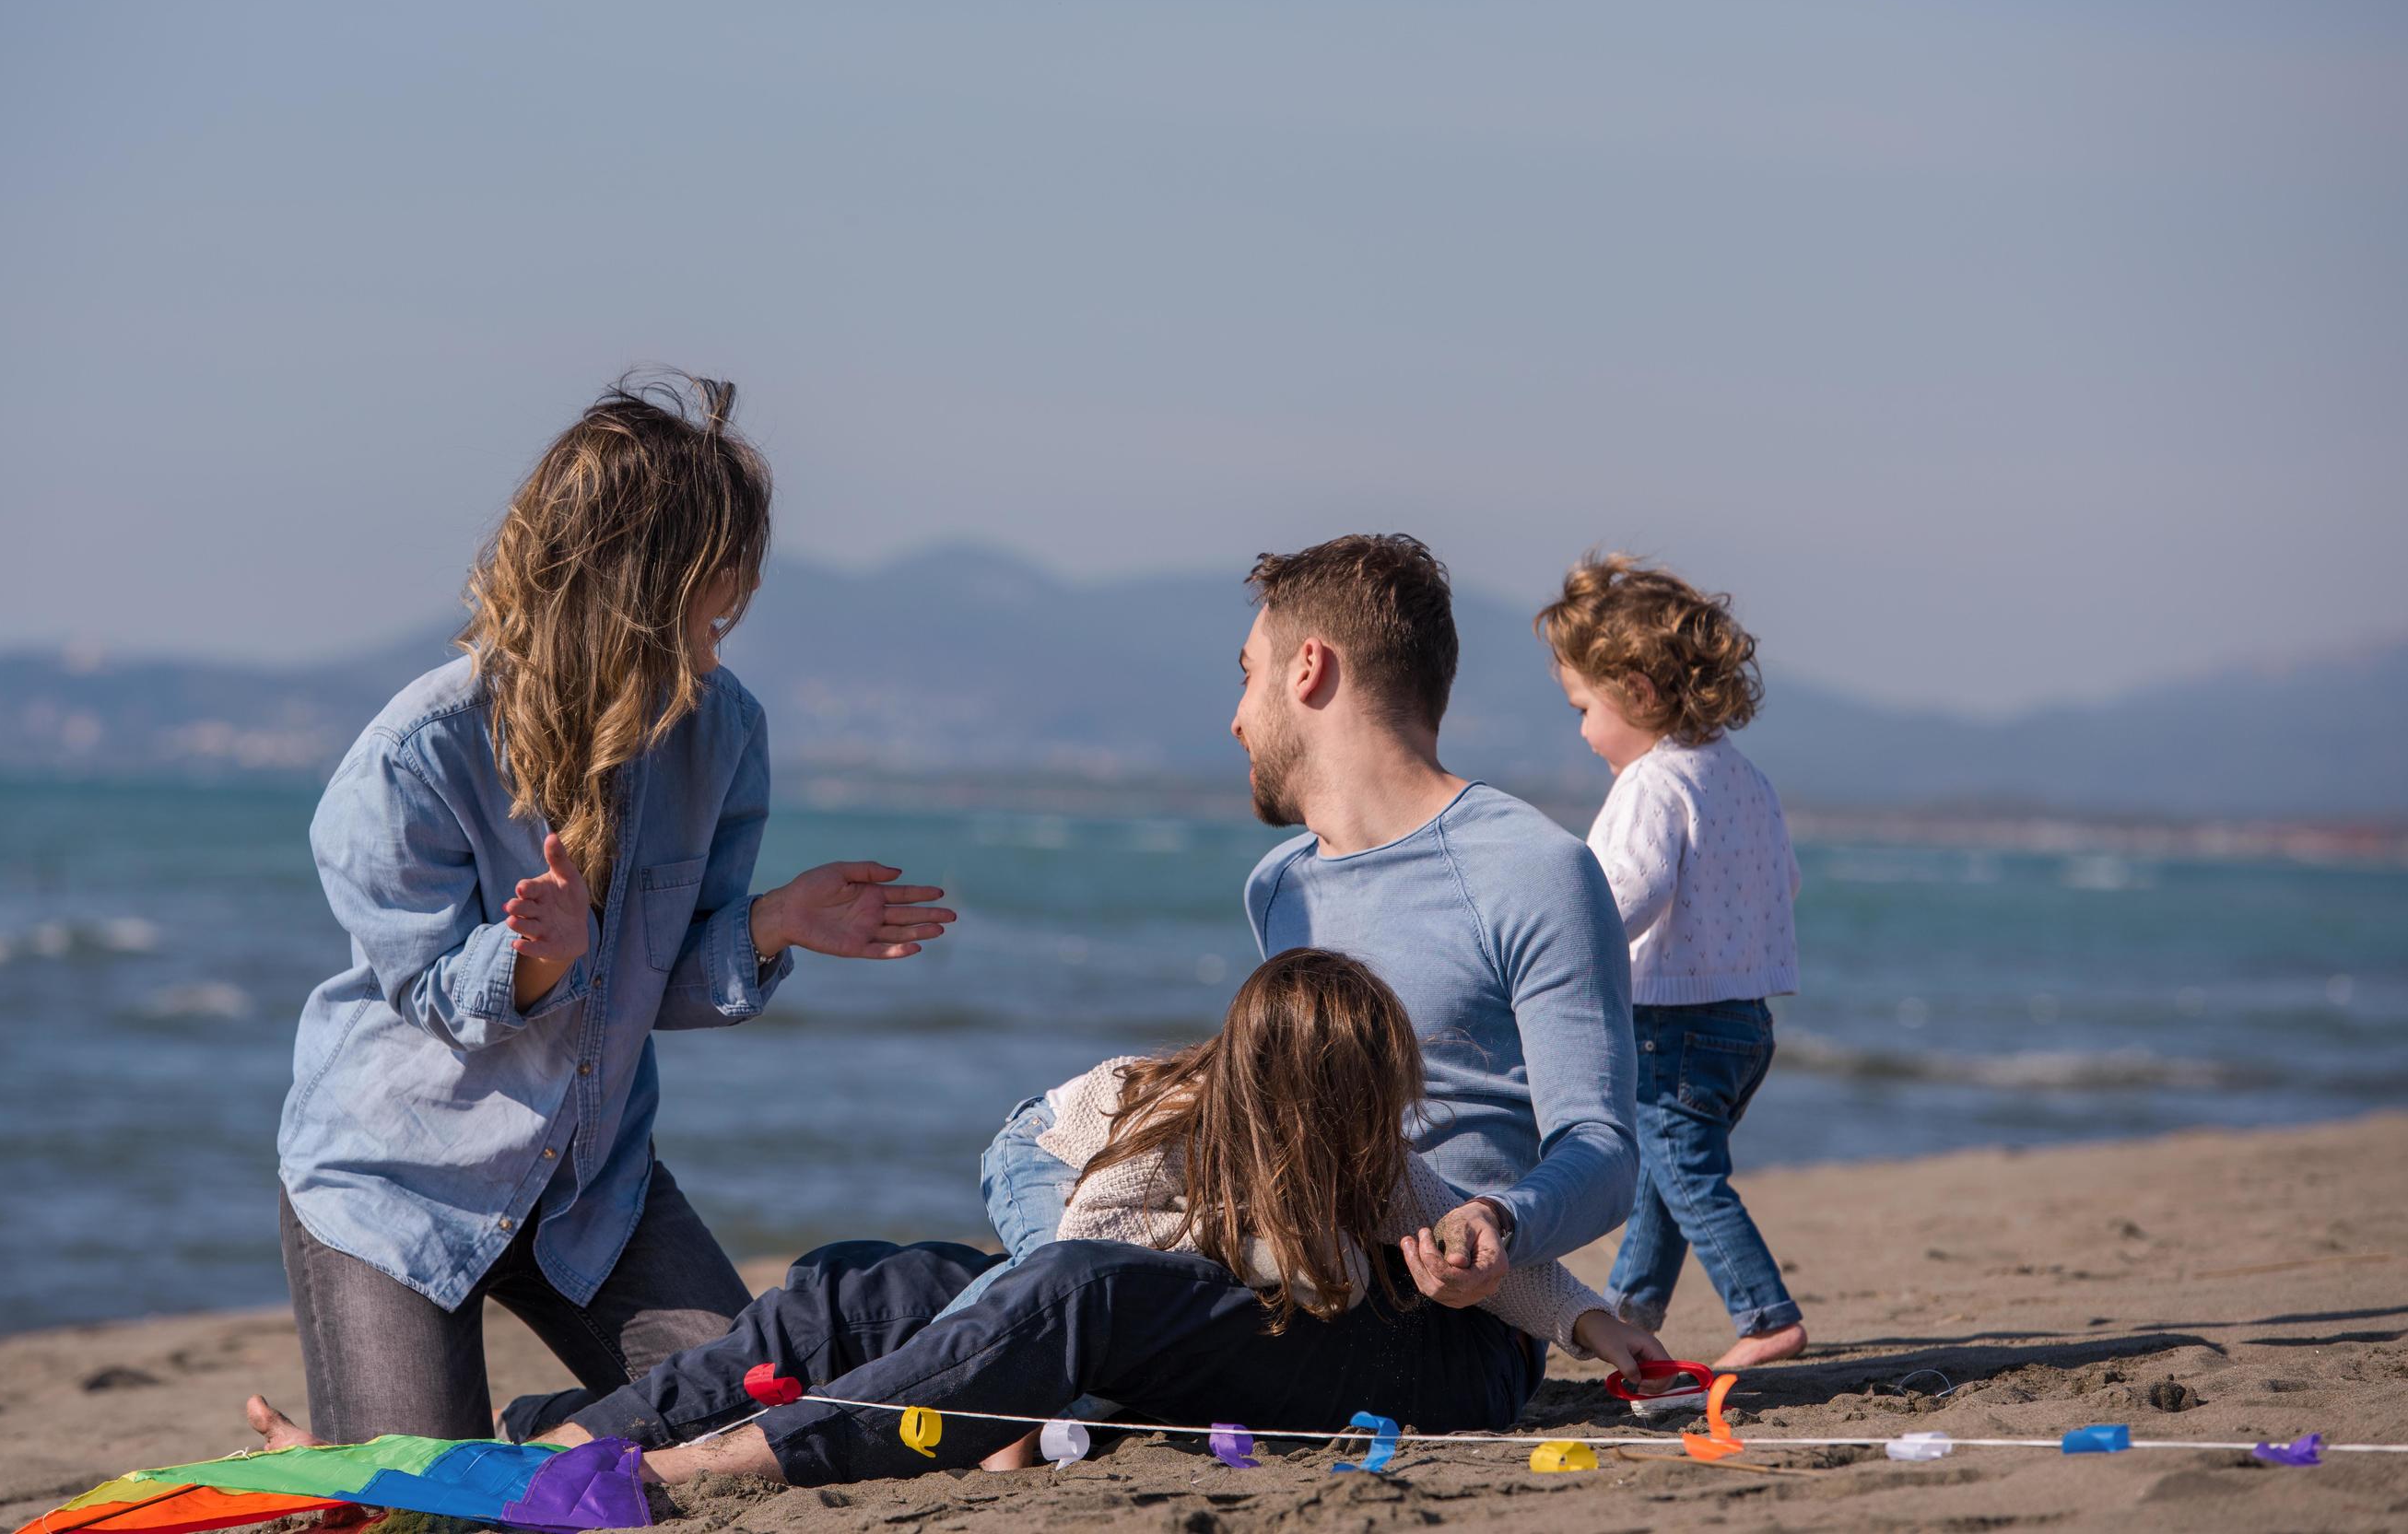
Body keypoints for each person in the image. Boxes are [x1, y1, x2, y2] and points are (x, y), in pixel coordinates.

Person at [243, 950, 1669, 1486]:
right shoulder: (1179, 1141)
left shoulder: (1379, 1181)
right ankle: (550, 1447)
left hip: (1445, 1366)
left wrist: (1590, 1320)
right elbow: (1080, 1249)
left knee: (1062, 1307)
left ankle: (719, 1466)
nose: (1380, 1140)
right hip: (1168, 1321)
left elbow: (1503, 1261)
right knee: (869, 1282)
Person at [272, 375, 957, 1445]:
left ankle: (532, 1424)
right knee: (422, 1506)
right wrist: (535, 957)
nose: (723, 633)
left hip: (595, 1188)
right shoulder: (419, 751)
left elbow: (654, 984)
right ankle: (362, 1449)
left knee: (764, 1418)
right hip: (397, 1187)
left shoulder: (723, 731)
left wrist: (775, 921)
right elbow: (433, 994)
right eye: (710, 602)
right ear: (630, 585)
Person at [960, 535, 1641, 1323]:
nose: (1236, 720)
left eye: (1248, 676)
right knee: (1024, 1177)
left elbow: (1601, 1149)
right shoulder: (1278, 886)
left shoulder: (1532, 868)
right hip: (1298, 1256)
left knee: (1066, 1306)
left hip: (1449, 1302)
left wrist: (1498, 1219)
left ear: (1308, 668)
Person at [1538, 552, 1806, 1368]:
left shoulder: (1651, 784)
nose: (1582, 731)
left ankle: (1766, 1318)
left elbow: (1626, 890)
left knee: (1688, 1177)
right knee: (1668, 1170)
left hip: (1671, 1024)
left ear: (1637, 692)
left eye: (1583, 707)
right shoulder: (1742, 777)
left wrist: (1556, 947)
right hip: (1746, 1021)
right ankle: (1630, 1306)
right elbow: (1783, 882)